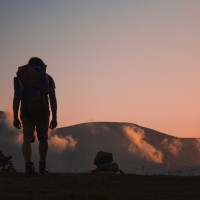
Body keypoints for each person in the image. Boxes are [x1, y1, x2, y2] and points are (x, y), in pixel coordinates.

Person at [13, 57, 57, 175]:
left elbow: (16, 98)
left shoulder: (21, 78)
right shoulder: (47, 78)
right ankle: (42, 167)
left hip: (26, 109)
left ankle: (28, 167)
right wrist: (55, 117)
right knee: (43, 139)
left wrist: (15, 116)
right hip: (42, 110)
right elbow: (52, 98)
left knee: (27, 138)